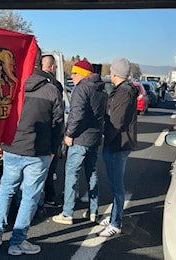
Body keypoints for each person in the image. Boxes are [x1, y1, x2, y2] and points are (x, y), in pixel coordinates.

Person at [0, 47, 64, 256]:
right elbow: (58, 125)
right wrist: (53, 151)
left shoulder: (14, 84)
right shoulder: (52, 90)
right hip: (38, 151)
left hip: (12, 146)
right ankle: (18, 241)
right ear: (42, 64)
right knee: (29, 196)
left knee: (6, 189)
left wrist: (1, 143)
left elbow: (3, 115)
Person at [52, 60, 107, 225]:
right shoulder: (101, 89)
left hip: (80, 138)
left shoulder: (81, 88)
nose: (72, 76)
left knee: (71, 174)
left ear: (82, 74)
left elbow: (77, 114)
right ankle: (93, 211)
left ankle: (67, 213)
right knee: (92, 173)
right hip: (94, 138)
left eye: (74, 73)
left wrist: (69, 134)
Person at [97, 58, 138, 237]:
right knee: (114, 184)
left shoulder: (123, 93)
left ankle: (116, 222)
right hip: (119, 142)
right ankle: (114, 215)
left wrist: (106, 134)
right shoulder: (124, 91)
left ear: (114, 73)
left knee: (116, 185)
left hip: (118, 143)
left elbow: (116, 121)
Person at [41, 54, 64, 209]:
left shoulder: (28, 81)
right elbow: (58, 116)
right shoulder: (55, 86)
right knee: (48, 169)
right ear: (52, 67)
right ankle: (47, 198)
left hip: (31, 134)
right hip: (49, 135)